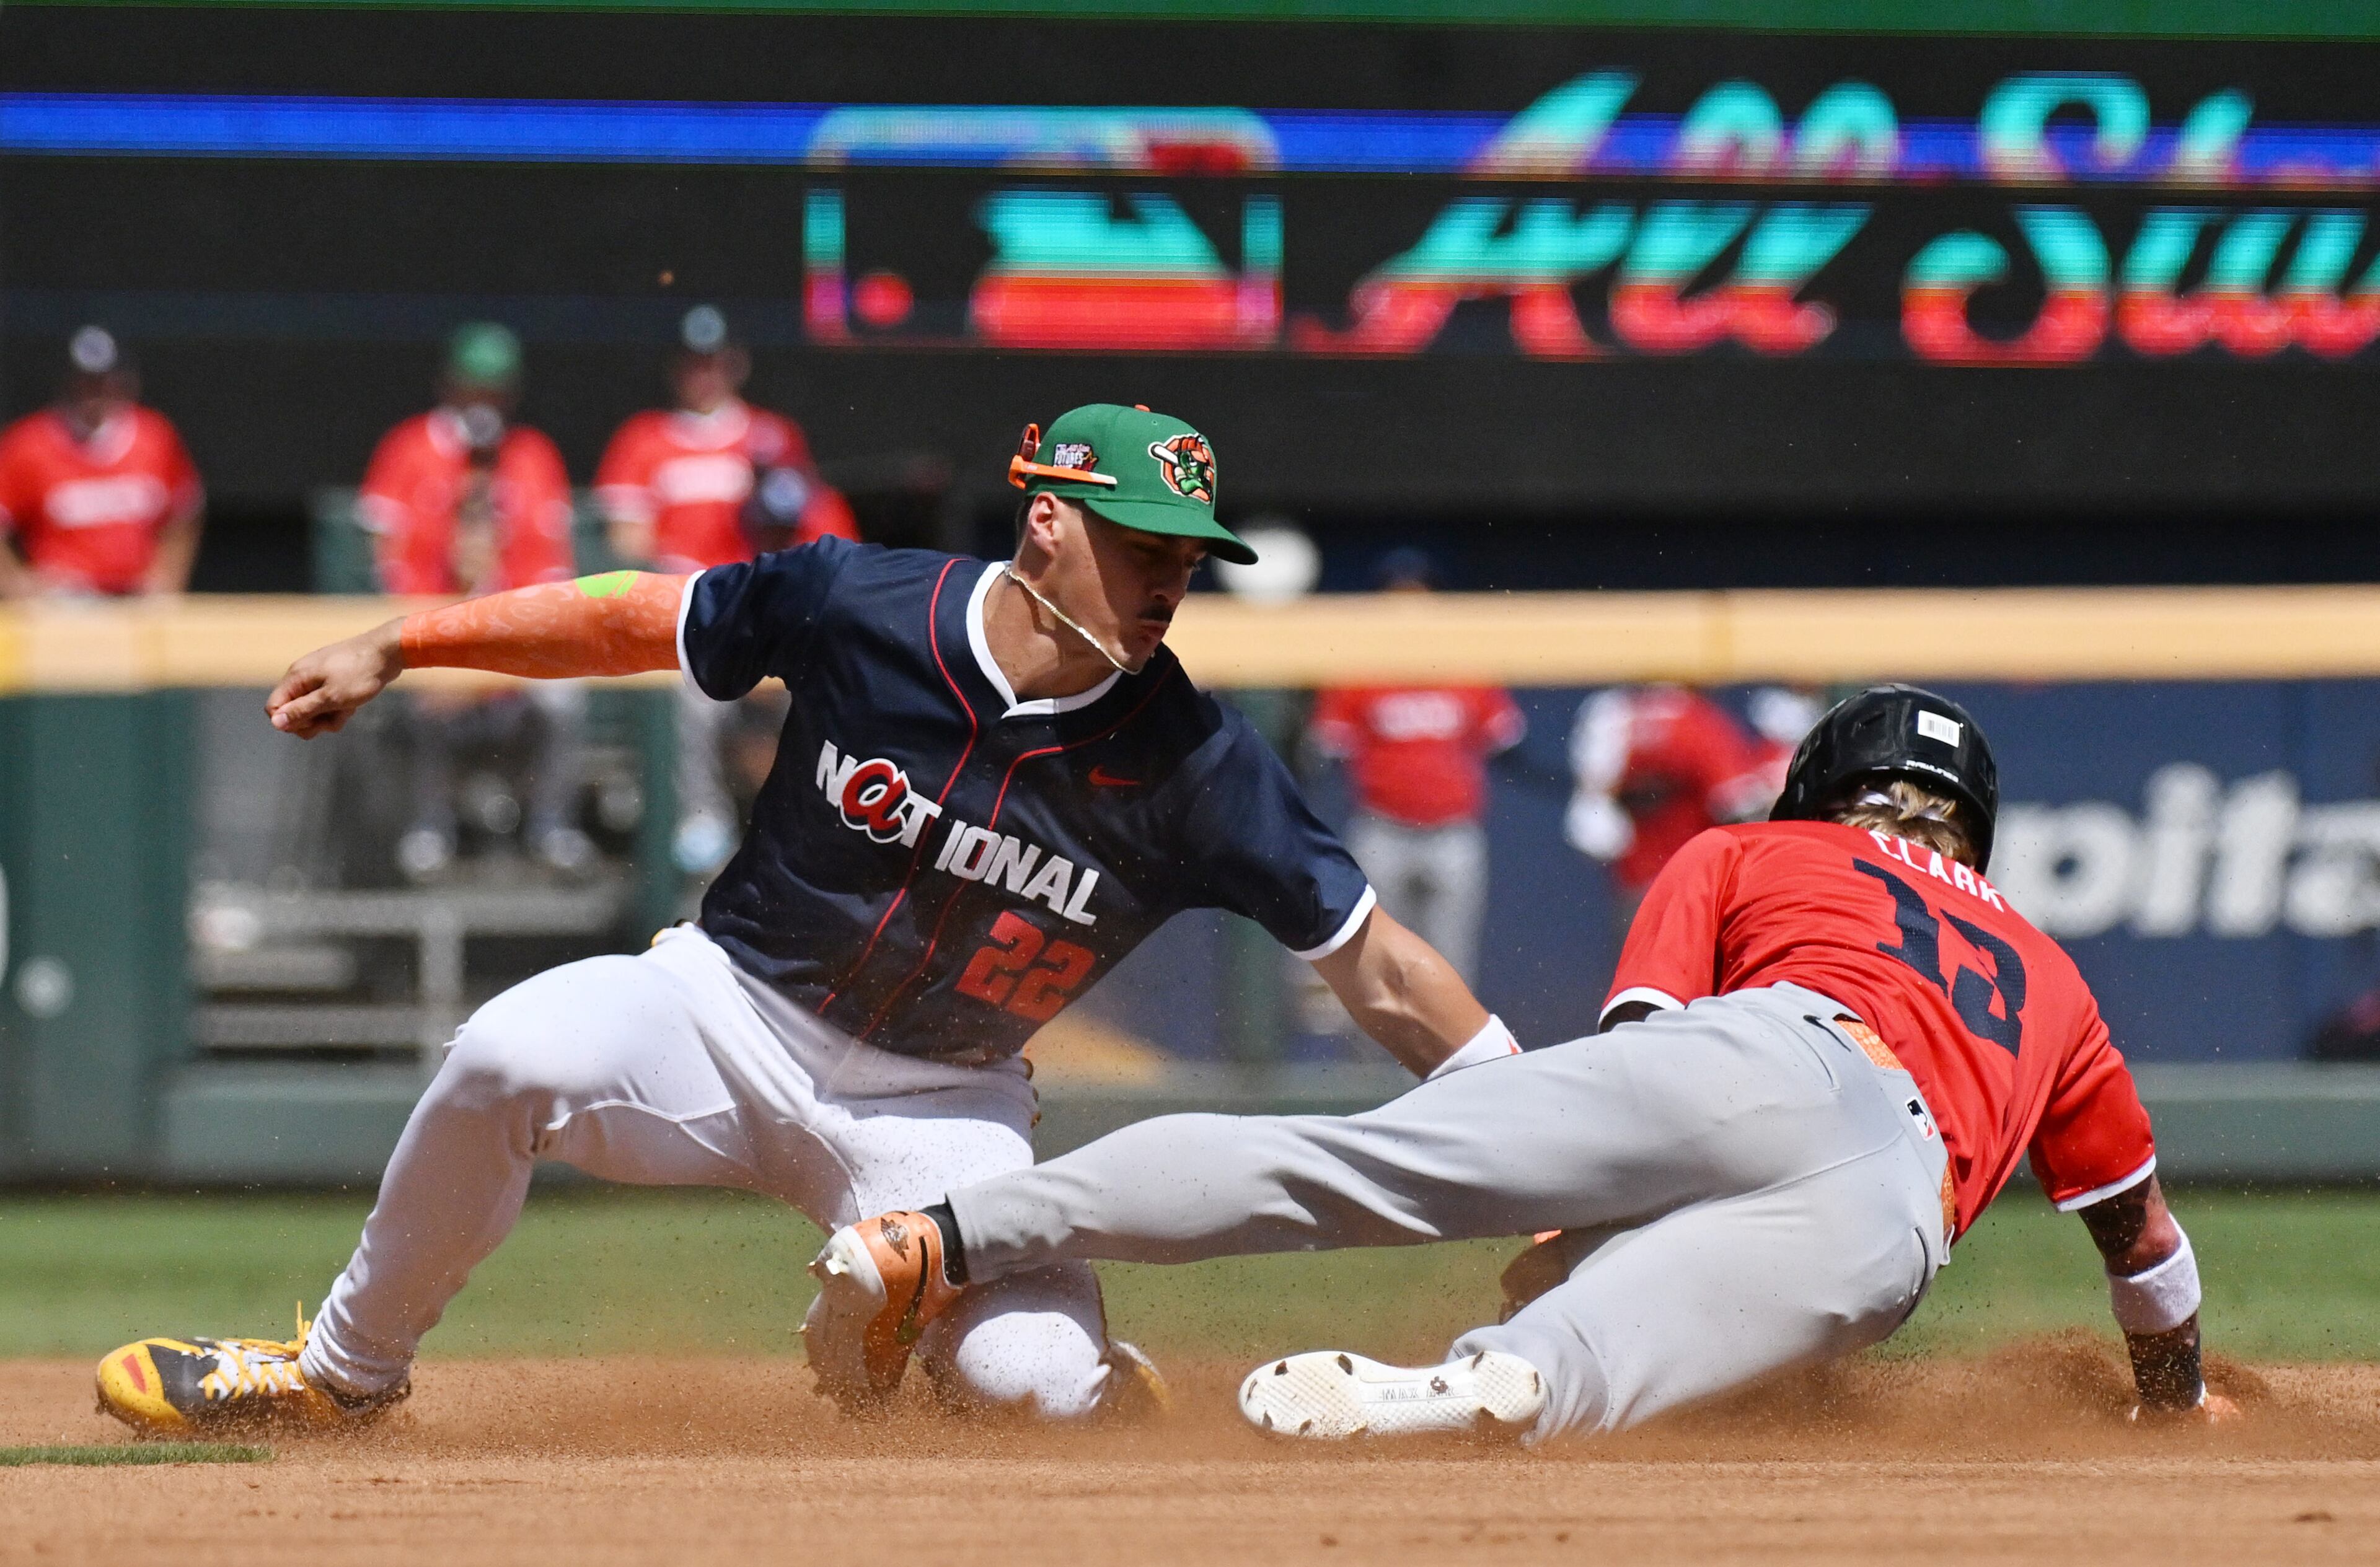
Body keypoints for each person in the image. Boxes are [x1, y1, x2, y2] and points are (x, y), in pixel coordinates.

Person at [95, 403, 1519, 1436]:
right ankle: (343, 1376)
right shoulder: (863, 602)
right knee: (504, 1055)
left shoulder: (1198, 764)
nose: (1165, 579)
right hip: (724, 1010)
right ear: (1046, 520)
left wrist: (1552, 1128)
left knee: (1023, 1393)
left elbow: (1377, 969)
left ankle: (1095, 1381)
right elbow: (632, 622)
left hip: (945, 1107)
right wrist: (404, 639)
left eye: (1186, 554)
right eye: (1138, 539)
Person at [814, 686, 2236, 1444]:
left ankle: (935, 1236)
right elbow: (2142, 1248)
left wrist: (1576, 1214)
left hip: (1763, 1049)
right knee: (1607, 1355)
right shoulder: (2051, 972)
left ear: (1823, 784)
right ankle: (1491, 1385)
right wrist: (2170, 1399)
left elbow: (1643, 1050)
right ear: (1971, 829)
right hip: (1894, 1209)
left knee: (1342, 1167)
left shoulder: (1752, 846)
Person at [594, 305, 862, 876]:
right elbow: (627, 542)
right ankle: (700, 819)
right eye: (694, 363)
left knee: (824, 688)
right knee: (691, 698)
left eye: (714, 362)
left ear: (735, 364)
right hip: (691, 613)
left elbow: (806, 531)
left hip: (767, 614)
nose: (705, 374)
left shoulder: (770, 437)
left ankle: (816, 825)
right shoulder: (644, 439)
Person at [358, 323, 593, 879]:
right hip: (433, 634)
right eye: (472, 389)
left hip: (516, 638)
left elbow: (555, 577)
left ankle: (550, 825)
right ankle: (429, 826)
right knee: (424, 693)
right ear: (449, 386)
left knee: (565, 697)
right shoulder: (409, 448)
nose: (483, 402)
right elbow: (384, 565)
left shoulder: (533, 454)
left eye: (495, 390)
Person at [1308, 548, 1522, 987]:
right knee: (1373, 962)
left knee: (1452, 964)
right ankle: (1367, 1060)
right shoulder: (1357, 668)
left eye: (1418, 596)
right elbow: (1326, 747)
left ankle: (1453, 1058)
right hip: (1383, 831)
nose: (1408, 608)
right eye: (1396, 597)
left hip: (1453, 833)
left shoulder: (1468, 665)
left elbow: (1507, 739)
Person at [0, 327, 203, 599]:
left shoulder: (154, 437)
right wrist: (17, 584)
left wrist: (168, 579)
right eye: (85, 381)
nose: (94, 392)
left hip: (137, 596)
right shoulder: (29, 444)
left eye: (103, 381)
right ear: (69, 382)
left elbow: (186, 510)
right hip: (67, 597)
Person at [1564, 683, 1778, 916]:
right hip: (1694, 889)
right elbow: (1740, 805)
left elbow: (1592, 824)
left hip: (1640, 889)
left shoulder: (1611, 715)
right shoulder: (1693, 719)